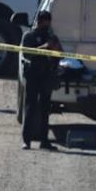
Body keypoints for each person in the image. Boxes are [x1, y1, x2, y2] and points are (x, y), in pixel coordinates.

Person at [20, 10, 62, 150]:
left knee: (45, 110)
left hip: (46, 76)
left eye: (48, 23)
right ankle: (26, 140)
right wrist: (44, 47)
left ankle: (44, 141)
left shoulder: (52, 37)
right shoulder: (30, 36)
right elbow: (28, 53)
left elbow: (59, 55)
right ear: (39, 21)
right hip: (33, 75)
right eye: (44, 23)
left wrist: (55, 48)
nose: (47, 26)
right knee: (30, 108)